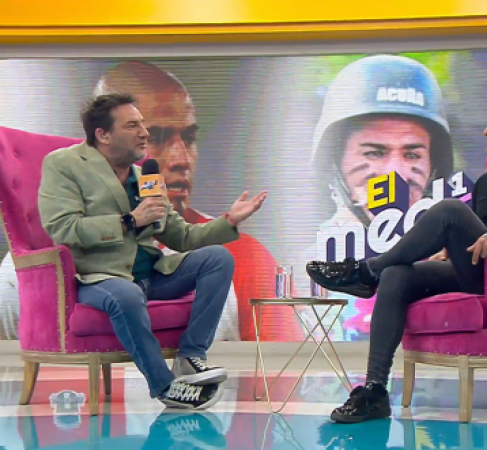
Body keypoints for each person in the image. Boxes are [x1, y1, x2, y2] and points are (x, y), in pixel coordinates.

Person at [306, 91, 487, 423]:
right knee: (397, 275)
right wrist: (450, 247)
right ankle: (374, 391)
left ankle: (366, 271)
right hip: (475, 271)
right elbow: (475, 233)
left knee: (449, 209)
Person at [0, 60, 304, 343]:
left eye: (188, 138)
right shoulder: (27, 272)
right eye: (156, 138)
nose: (181, 159)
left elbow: (282, 371)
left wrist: (230, 220)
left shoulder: (247, 258)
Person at [38, 93, 267, 409]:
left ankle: (191, 356)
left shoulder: (144, 176)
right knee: (127, 294)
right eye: (132, 125)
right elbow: (63, 228)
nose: (144, 133)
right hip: (99, 277)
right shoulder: (64, 164)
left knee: (218, 259)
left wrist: (229, 220)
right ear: (103, 135)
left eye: (142, 124)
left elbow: (181, 236)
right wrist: (130, 220)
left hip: (153, 274)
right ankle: (164, 386)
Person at [298, 54, 455, 340]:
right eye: (374, 152)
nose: (394, 174)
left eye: (412, 154)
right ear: (334, 164)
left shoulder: (453, 266)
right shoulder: (301, 276)